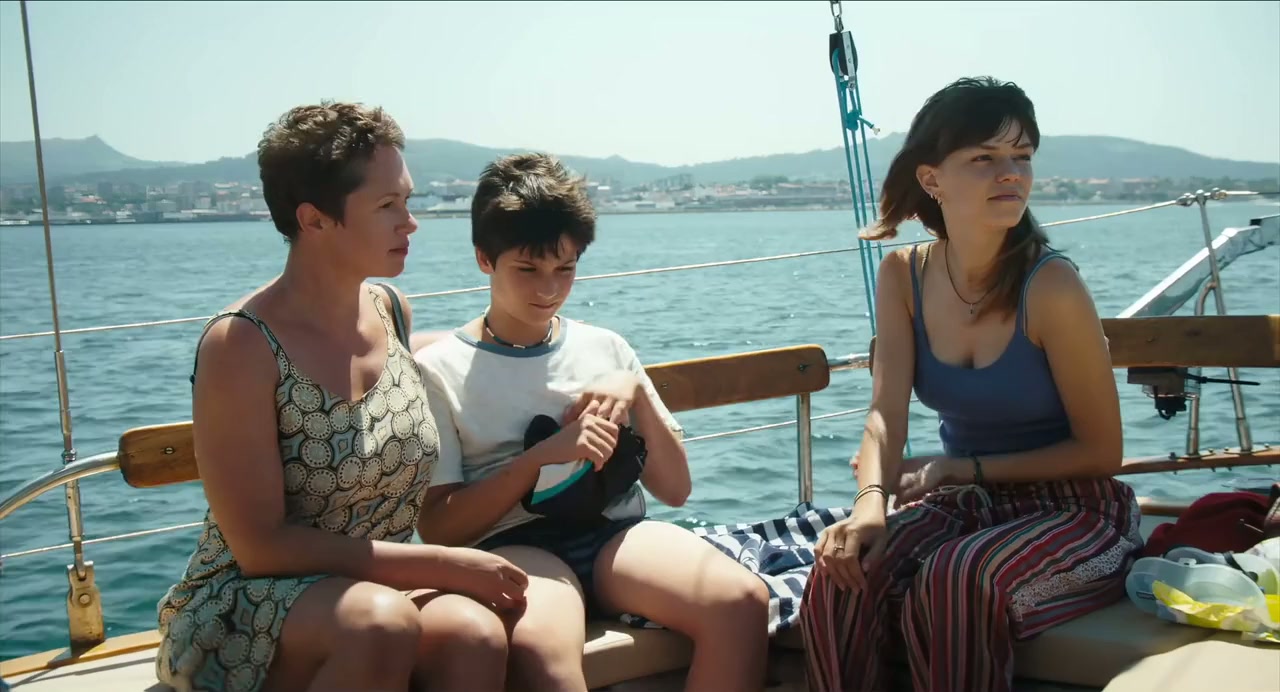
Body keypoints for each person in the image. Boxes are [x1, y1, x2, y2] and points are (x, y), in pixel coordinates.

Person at [155, 102, 528, 692]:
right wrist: (441, 562)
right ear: (314, 220)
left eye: (408, 201)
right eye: (387, 206)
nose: (411, 223)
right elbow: (260, 548)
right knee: (379, 626)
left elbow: (465, 350)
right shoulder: (241, 344)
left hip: (375, 592)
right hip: (243, 605)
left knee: (472, 634)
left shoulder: (391, 310)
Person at [798, 77, 1144, 692]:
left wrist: (960, 468)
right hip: (969, 504)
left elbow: (1102, 451)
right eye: (984, 158)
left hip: (1078, 511)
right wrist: (870, 505)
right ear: (931, 178)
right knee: (841, 572)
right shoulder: (903, 275)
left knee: (956, 577)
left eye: (1022, 156)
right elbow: (884, 415)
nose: (1010, 173)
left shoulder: (1051, 285)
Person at [413, 152, 771, 691]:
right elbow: (439, 527)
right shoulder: (438, 370)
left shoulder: (606, 348)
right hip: (515, 545)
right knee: (541, 654)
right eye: (527, 269)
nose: (548, 289)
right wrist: (541, 458)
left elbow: (676, 489)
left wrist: (635, 393)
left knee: (741, 602)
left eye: (565, 269)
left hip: (614, 532)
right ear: (485, 259)